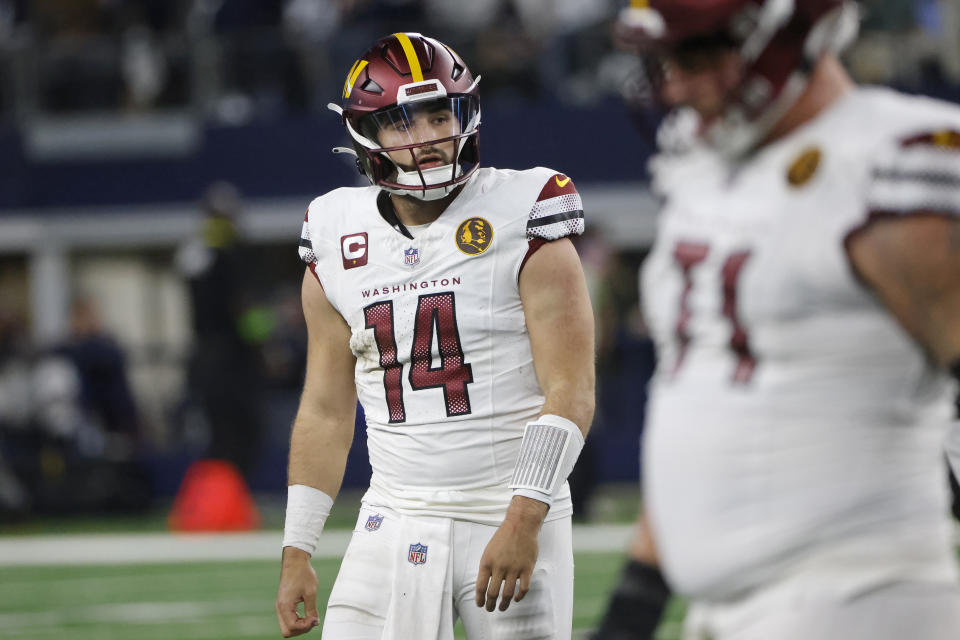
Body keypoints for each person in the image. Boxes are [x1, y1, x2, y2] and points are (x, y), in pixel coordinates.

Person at [592, 1, 960, 639]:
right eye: (666, 59)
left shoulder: (890, 160)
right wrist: (635, 604)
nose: (675, 83)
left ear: (792, 33)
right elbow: (704, 397)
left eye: (699, 53)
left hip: (854, 597)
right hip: (722, 609)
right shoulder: (700, 167)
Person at [274, 32, 595, 639]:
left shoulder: (525, 208)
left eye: (439, 114)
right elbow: (324, 410)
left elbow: (571, 390)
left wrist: (526, 516)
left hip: (508, 505)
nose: (425, 137)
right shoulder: (334, 231)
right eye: (401, 122)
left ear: (465, 114)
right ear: (367, 134)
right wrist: (298, 549)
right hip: (393, 516)